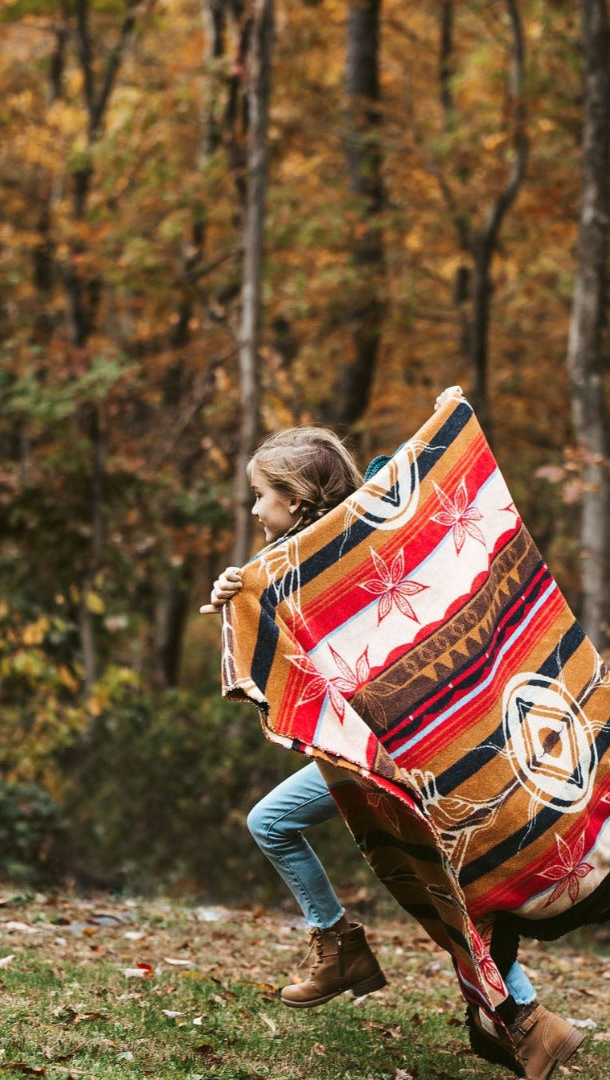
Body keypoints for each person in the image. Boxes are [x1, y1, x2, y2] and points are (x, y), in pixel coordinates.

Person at [201, 390, 584, 1080]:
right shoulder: (288, 570)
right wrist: (239, 592)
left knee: (435, 879)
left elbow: (406, 483)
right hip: (375, 749)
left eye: (258, 497)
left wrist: (445, 420)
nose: (253, 511)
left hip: (412, 748)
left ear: (293, 497)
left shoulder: (357, 537)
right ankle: (365, 953)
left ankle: (520, 1017)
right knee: (402, 867)